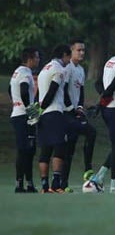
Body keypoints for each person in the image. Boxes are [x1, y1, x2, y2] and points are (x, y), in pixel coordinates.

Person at [88, 34, 115, 190]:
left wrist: (103, 98)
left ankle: (100, 175)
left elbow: (97, 83)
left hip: (108, 109)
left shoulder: (110, 62)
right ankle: (113, 185)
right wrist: (106, 96)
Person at [61, 39, 96, 191]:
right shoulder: (66, 68)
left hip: (76, 113)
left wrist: (80, 107)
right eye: (78, 50)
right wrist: (71, 108)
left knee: (89, 134)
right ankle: (64, 184)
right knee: (69, 149)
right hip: (66, 114)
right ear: (71, 51)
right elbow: (63, 91)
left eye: (83, 50)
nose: (82, 53)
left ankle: (86, 169)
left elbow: (80, 91)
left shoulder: (81, 70)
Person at [37, 45, 71, 193]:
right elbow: (53, 90)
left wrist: (39, 111)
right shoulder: (59, 69)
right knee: (59, 146)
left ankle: (44, 185)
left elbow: (39, 92)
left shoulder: (44, 69)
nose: (69, 61)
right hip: (54, 112)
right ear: (64, 55)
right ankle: (56, 184)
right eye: (68, 57)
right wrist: (43, 107)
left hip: (44, 115)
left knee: (45, 149)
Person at [10, 47, 40, 193]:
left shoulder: (16, 72)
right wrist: (30, 111)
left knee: (28, 150)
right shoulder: (25, 73)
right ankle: (20, 183)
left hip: (17, 113)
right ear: (30, 59)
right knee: (25, 150)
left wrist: (16, 104)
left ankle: (27, 183)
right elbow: (23, 90)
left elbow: (11, 90)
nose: (38, 60)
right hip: (23, 116)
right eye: (37, 57)